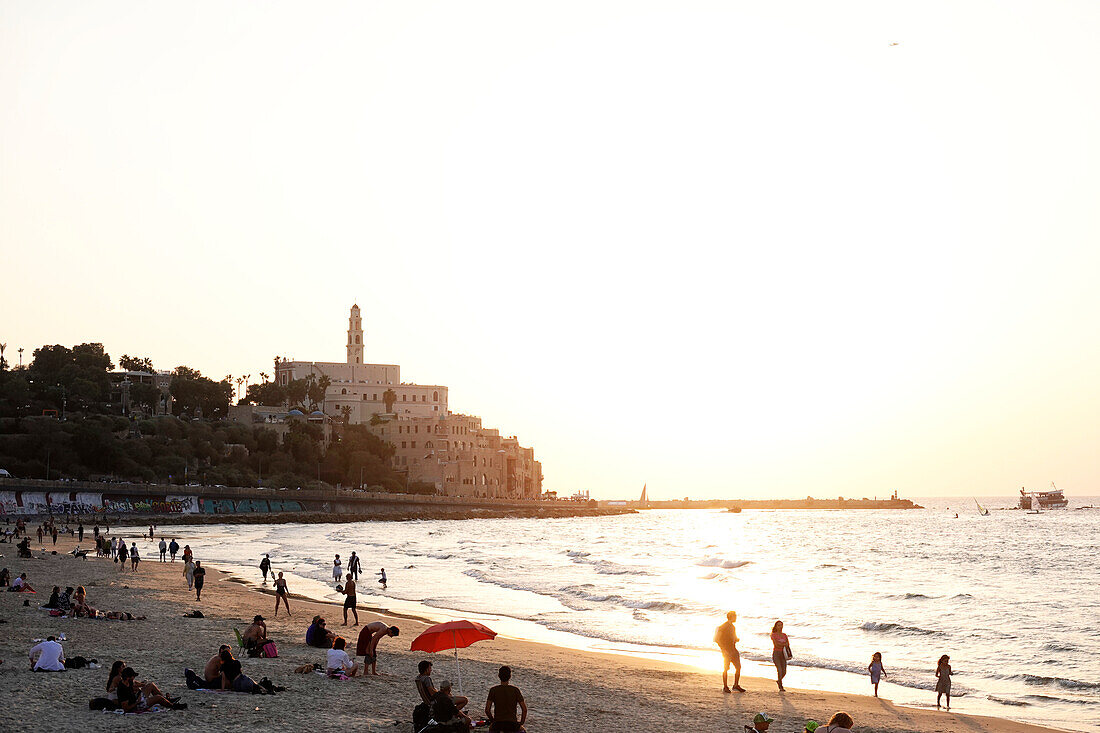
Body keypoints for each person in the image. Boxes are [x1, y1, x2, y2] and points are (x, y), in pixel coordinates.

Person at [117, 666, 186, 711]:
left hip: (138, 698)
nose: (134, 678)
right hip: (137, 706)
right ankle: (173, 706)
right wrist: (137, 702)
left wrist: (141, 686)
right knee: (158, 698)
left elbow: (137, 684)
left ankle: (167, 700)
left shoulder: (128, 682)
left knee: (151, 685)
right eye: (133, 676)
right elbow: (126, 708)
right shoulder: (122, 689)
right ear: (128, 677)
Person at [485, 665, 527, 733]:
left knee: (490, 729)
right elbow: (524, 710)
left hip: (498, 724)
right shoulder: (515, 690)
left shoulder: (493, 690)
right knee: (523, 730)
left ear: (499, 676)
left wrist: (493, 721)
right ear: (510, 676)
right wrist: (521, 723)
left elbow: (487, 710)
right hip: (512, 724)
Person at [715, 610, 744, 692]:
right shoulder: (724, 626)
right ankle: (725, 686)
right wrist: (723, 649)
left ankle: (735, 685)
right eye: (735, 616)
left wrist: (736, 639)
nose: (736, 618)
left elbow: (733, 637)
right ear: (731, 617)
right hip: (727, 650)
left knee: (738, 667)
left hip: (733, 649)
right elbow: (717, 639)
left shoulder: (732, 626)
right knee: (726, 668)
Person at [770, 620, 792, 692]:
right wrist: (783, 644)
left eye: (781, 625)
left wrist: (783, 644)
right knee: (779, 669)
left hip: (783, 654)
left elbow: (787, 644)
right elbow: (776, 644)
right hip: (776, 653)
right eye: (779, 625)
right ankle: (780, 686)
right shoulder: (773, 635)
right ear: (776, 626)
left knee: (784, 671)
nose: (780, 627)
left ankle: (779, 680)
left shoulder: (784, 635)